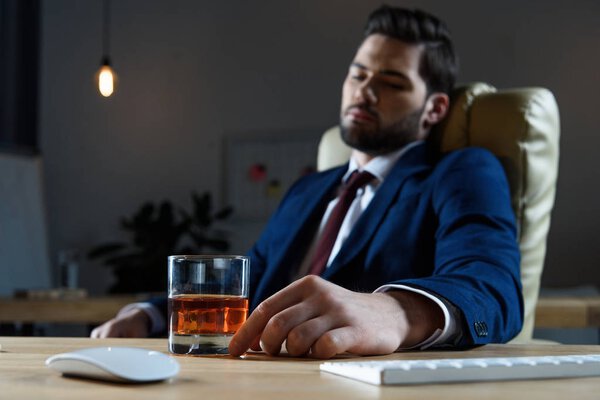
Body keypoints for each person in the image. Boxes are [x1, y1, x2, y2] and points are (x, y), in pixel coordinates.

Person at [91, 5, 522, 359]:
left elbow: (493, 287)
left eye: (391, 82)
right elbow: (251, 281)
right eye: (358, 74)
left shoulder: (461, 171)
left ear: (433, 109)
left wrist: (396, 312)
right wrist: (148, 315)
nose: (365, 91)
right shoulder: (308, 190)